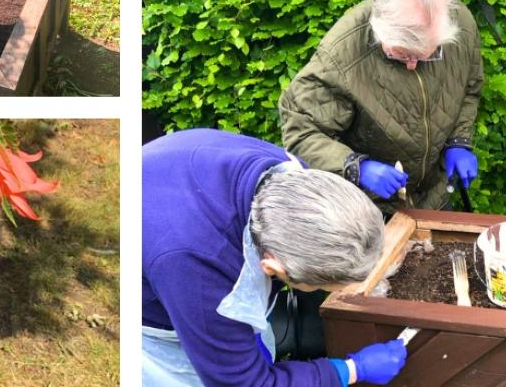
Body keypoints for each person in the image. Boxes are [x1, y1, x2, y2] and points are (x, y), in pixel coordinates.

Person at [143, 128, 408, 387]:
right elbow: (244, 383)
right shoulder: (199, 271)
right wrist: (350, 370)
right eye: (319, 287)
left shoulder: (292, 176)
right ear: (271, 267)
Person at [279, 0, 482, 211]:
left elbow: (469, 88)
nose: (412, 65)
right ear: (381, 31)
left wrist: (458, 141)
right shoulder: (343, 54)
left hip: (433, 198)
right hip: (369, 207)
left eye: (425, 56)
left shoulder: (460, 23)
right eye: (402, 55)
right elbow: (301, 133)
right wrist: (355, 167)